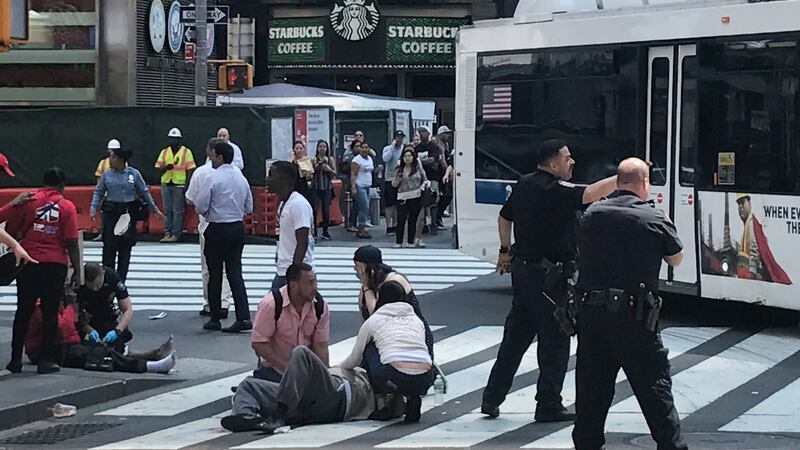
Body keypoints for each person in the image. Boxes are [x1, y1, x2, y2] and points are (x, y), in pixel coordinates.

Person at [482, 139, 618, 421]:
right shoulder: (552, 188)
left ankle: (492, 397)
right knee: (555, 339)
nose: (572, 162)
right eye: (567, 158)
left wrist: (505, 250)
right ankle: (548, 403)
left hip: (524, 271)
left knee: (516, 337)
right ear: (552, 162)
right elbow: (590, 193)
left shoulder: (524, 184)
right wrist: (624, 176)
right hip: (548, 276)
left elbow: (504, 217)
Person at [573, 157, 687, 450]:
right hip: (635, 318)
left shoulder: (592, 214)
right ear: (644, 184)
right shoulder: (653, 217)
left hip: (593, 315)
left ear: (618, 181)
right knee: (655, 389)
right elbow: (676, 258)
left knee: (591, 392)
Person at [1, 167, 81, 374]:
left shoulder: (28, 200)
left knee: (24, 310)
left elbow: (9, 229)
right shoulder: (67, 206)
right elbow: (71, 241)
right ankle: (46, 360)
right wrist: (77, 271)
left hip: (28, 261)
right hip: (55, 264)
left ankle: (15, 359)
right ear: (62, 185)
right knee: (50, 311)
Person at [222, 346, 378, 434]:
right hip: (305, 402)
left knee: (301, 352)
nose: (314, 287)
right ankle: (245, 416)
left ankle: (279, 414)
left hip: (338, 395)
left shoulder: (374, 377)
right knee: (249, 384)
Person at [340, 279, 435, 423]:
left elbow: (355, 358)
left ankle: (381, 405)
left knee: (370, 348)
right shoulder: (416, 320)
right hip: (426, 376)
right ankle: (413, 396)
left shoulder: (374, 320)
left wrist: (338, 368)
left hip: (393, 375)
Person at [195, 141, 253, 333]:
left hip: (217, 227)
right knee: (235, 273)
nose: (210, 158)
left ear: (219, 157)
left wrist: (212, 210)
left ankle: (215, 317)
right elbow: (249, 207)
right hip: (236, 227)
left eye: (212, 154)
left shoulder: (212, 177)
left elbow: (201, 205)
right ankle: (243, 316)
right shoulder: (241, 178)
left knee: (215, 274)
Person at [90, 145, 164, 282]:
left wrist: (154, 208)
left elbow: (144, 192)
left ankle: (121, 281)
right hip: (111, 214)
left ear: (120, 159)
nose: (109, 160)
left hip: (127, 215)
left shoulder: (133, 174)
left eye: (112, 157)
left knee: (124, 250)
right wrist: (93, 208)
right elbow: (98, 192)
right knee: (109, 249)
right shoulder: (107, 174)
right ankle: (108, 279)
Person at [251, 263, 329, 382]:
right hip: (275, 371)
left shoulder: (320, 305)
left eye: (315, 281)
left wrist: (326, 376)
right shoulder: (271, 304)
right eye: (310, 282)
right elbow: (258, 343)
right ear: (294, 285)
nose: (315, 287)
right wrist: (287, 367)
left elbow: (321, 345)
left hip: (306, 371)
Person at [353, 245, 433, 358]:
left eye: (357, 265)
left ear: (365, 266)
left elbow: (378, 315)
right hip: (383, 339)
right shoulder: (367, 288)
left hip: (408, 337)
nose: (355, 269)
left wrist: (366, 287)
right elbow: (364, 319)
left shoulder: (394, 282)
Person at [186, 138, 234, 318]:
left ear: (212, 152)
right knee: (228, 268)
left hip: (209, 224)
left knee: (209, 267)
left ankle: (210, 304)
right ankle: (225, 302)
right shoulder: (236, 173)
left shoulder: (202, 173)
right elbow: (248, 204)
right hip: (232, 225)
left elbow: (191, 199)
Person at [266, 161, 315, 290]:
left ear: (284, 180)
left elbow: (302, 241)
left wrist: (294, 274)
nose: (267, 179)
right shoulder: (284, 202)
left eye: (271, 175)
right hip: (283, 270)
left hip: (293, 272)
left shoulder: (298, 204)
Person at [735, 193, 790, 283]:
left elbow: (754, 249)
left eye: (742, 202)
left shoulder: (751, 223)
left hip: (752, 276)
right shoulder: (747, 225)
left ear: (749, 204)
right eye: (738, 204)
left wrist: (751, 273)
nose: (740, 207)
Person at [154, 127, 196, 243]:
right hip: (166, 183)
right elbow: (158, 168)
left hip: (179, 184)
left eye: (175, 139)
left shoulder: (186, 152)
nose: (173, 141)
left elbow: (190, 170)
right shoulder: (165, 152)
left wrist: (188, 186)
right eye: (171, 139)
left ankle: (176, 234)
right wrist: (166, 167)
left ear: (179, 139)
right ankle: (167, 233)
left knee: (177, 211)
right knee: (167, 210)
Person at [392, 146, 429, 248]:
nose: (407, 158)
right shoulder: (399, 169)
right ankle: (399, 241)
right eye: (405, 156)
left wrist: (422, 187)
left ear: (413, 158)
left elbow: (425, 179)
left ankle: (410, 241)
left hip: (415, 195)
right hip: (402, 197)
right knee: (401, 220)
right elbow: (394, 184)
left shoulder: (417, 168)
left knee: (413, 220)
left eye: (409, 156)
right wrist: (398, 178)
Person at [311, 140, 336, 241]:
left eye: (324, 147)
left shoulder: (330, 159)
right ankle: (314, 231)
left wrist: (328, 169)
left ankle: (325, 231)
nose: (322, 149)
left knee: (326, 210)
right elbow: (310, 172)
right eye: (320, 146)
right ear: (317, 148)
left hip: (327, 188)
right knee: (315, 210)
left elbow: (335, 173)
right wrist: (317, 166)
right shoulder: (313, 159)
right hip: (316, 188)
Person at [382, 131, 405, 236]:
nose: (400, 140)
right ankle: (388, 225)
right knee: (389, 204)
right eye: (398, 138)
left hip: (401, 178)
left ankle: (396, 224)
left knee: (398, 203)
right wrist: (392, 147)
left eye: (401, 137)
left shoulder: (404, 149)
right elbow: (385, 159)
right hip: (390, 178)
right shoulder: (388, 148)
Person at [92, 140, 115, 241]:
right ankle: (103, 233)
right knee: (104, 214)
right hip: (106, 192)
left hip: (116, 193)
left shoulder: (122, 162)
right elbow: (98, 176)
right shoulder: (103, 162)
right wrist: (101, 189)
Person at [350, 140, 374, 239]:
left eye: (366, 148)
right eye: (362, 147)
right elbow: (353, 174)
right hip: (360, 186)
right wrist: (353, 187)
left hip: (368, 186)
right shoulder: (356, 160)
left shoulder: (370, 159)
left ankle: (362, 228)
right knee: (364, 207)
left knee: (364, 208)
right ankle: (360, 229)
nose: (364, 149)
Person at [435, 125, 455, 225]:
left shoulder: (446, 144)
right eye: (446, 133)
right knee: (445, 195)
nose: (448, 135)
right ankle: (437, 216)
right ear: (441, 134)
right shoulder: (439, 145)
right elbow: (442, 160)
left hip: (444, 172)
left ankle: (439, 215)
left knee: (447, 195)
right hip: (440, 173)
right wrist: (448, 171)